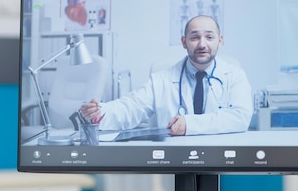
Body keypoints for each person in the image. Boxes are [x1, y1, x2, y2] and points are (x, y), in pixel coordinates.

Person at [80, 15, 253, 136]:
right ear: (184, 42)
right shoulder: (161, 80)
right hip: (174, 160)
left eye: (209, 37)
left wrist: (189, 124)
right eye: (194, 37)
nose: (202, 44)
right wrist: (101, 111)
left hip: (220, 158)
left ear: (219, 41)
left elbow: (240, 117)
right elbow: (131, 107)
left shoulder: (235, 75)